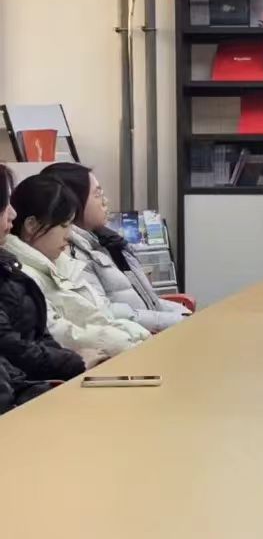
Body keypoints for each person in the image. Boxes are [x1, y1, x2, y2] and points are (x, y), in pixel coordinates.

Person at [2, 176, 149, 364]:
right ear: (31, 225)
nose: (69, 235)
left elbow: (100, 313)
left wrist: (132, 332)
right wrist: (124, 340)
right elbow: (60, 334)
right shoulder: (22, 277)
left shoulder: (62, 263)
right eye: (64, 225)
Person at [41, 163, 188, 332]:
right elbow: (107, 314)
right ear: (72, 202)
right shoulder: (70, 255)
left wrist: (183, 315)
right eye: (98, 195)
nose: (105, 202)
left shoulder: (107, 242)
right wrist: (177, 320)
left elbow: (149, 301)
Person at [0, 165, 83, 406]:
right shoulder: (22, 270)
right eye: (4, 205)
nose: (12, 214)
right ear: (32, 225)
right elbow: (13, 348)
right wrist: (74, 362)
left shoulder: (11, 269)